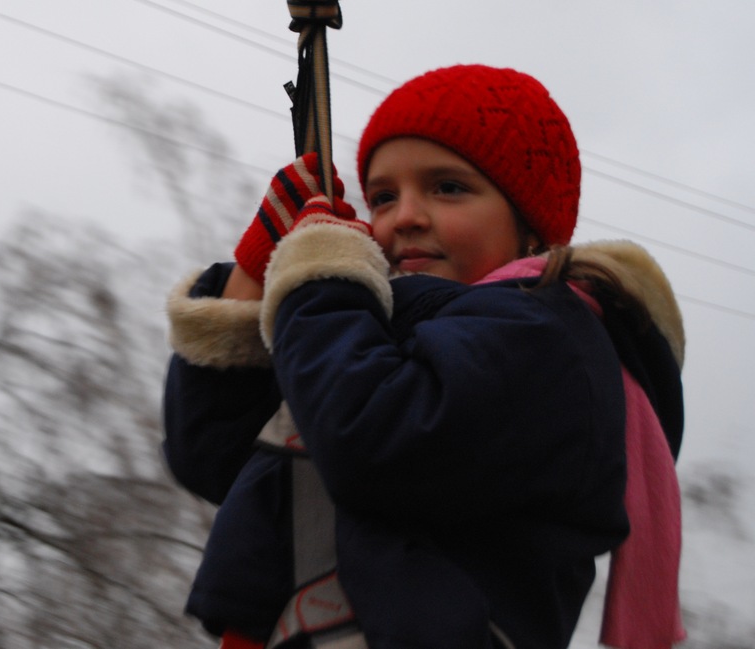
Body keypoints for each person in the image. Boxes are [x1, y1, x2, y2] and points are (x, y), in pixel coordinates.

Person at [162, 64, 686, 649]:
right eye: (383, 196)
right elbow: (213, 458)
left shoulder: (549, 337)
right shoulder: (363, 342)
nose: (403, 215)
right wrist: (254, 276)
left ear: (532, 229)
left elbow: (372, 436)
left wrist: (319, 279)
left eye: (448, 187)